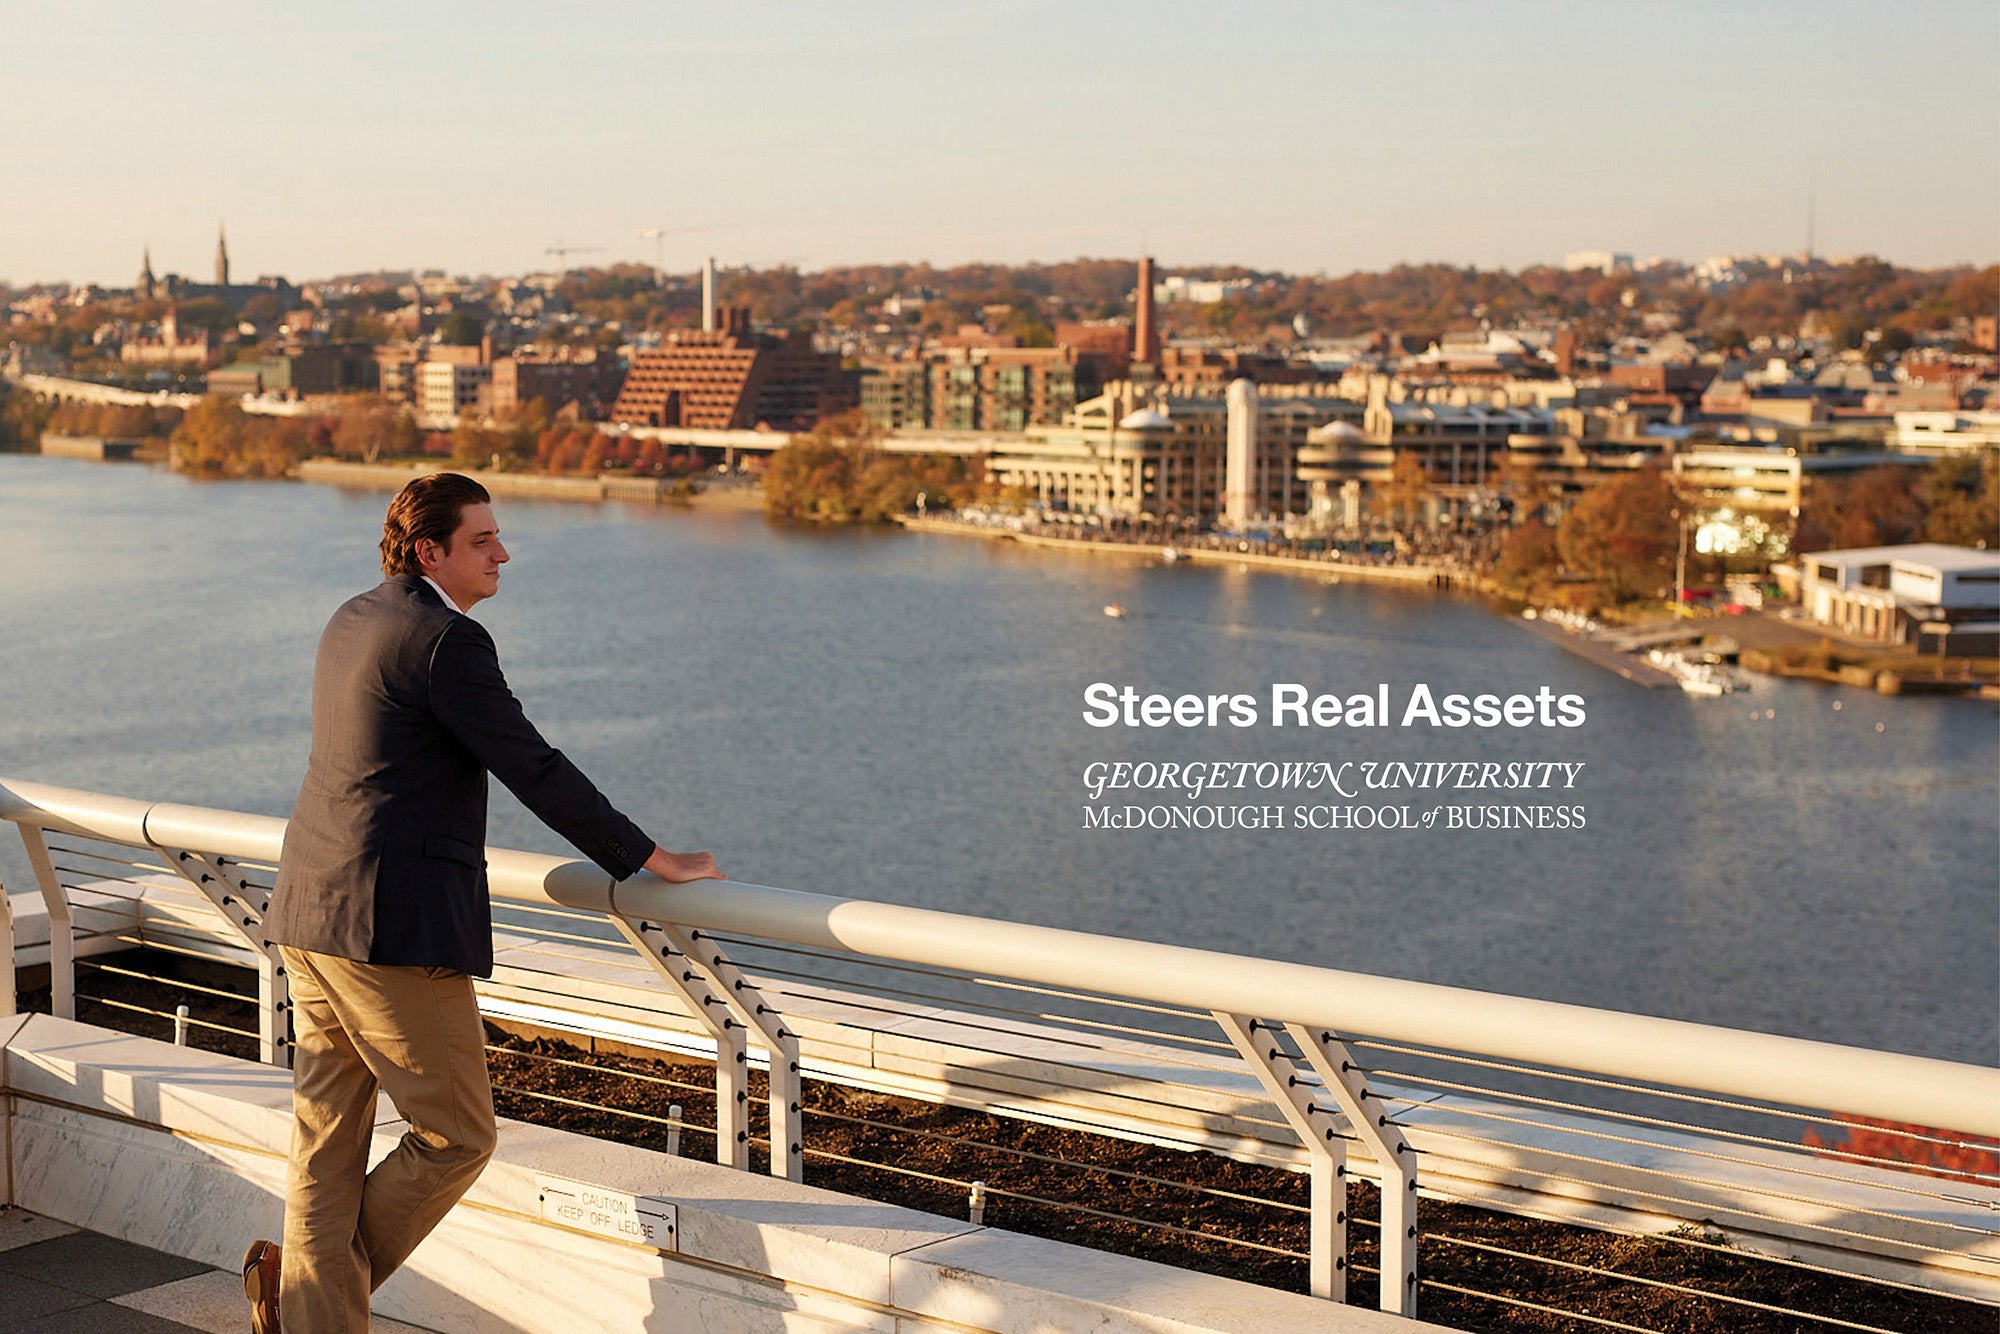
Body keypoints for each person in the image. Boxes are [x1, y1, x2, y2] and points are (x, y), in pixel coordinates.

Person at [246, 472, 722, 1333]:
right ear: (431, 551)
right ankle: (310, 1308)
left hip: (311, 910)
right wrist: (647, 856)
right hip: (391, 930)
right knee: (459, 1136)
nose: (503, 553)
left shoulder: (352, 617)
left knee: (326, 1144)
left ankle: (308, 1318)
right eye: (483, 540)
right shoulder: (445, 641)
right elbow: (531, 764)